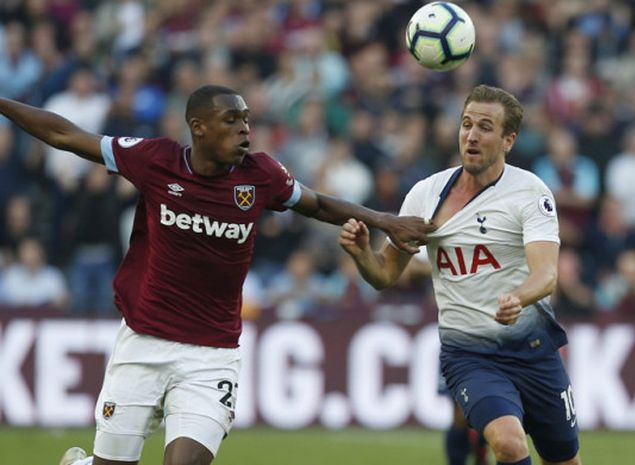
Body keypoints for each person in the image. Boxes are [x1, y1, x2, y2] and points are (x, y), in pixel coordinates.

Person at [0, 85, 435, 465]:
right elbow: (66, 135)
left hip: (211, 354)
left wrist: (385, 221)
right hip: (144, 342)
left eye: (247, 119)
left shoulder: (259, 176)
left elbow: (318, 204)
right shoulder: (156, 160)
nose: (245, 129)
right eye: (232, 120)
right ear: (199, 127)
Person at [338, 85, 582, 465]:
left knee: (563, 459)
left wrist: (518, 297)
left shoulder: (529, 192)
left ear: (508, 140)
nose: (471, 134)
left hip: (534, 351)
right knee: (508, 444)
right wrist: (360, 254)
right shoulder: (425, 195)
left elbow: (547, 273)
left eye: (485, 127)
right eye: (466, 124)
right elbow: (385, 274)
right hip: (470, 355)